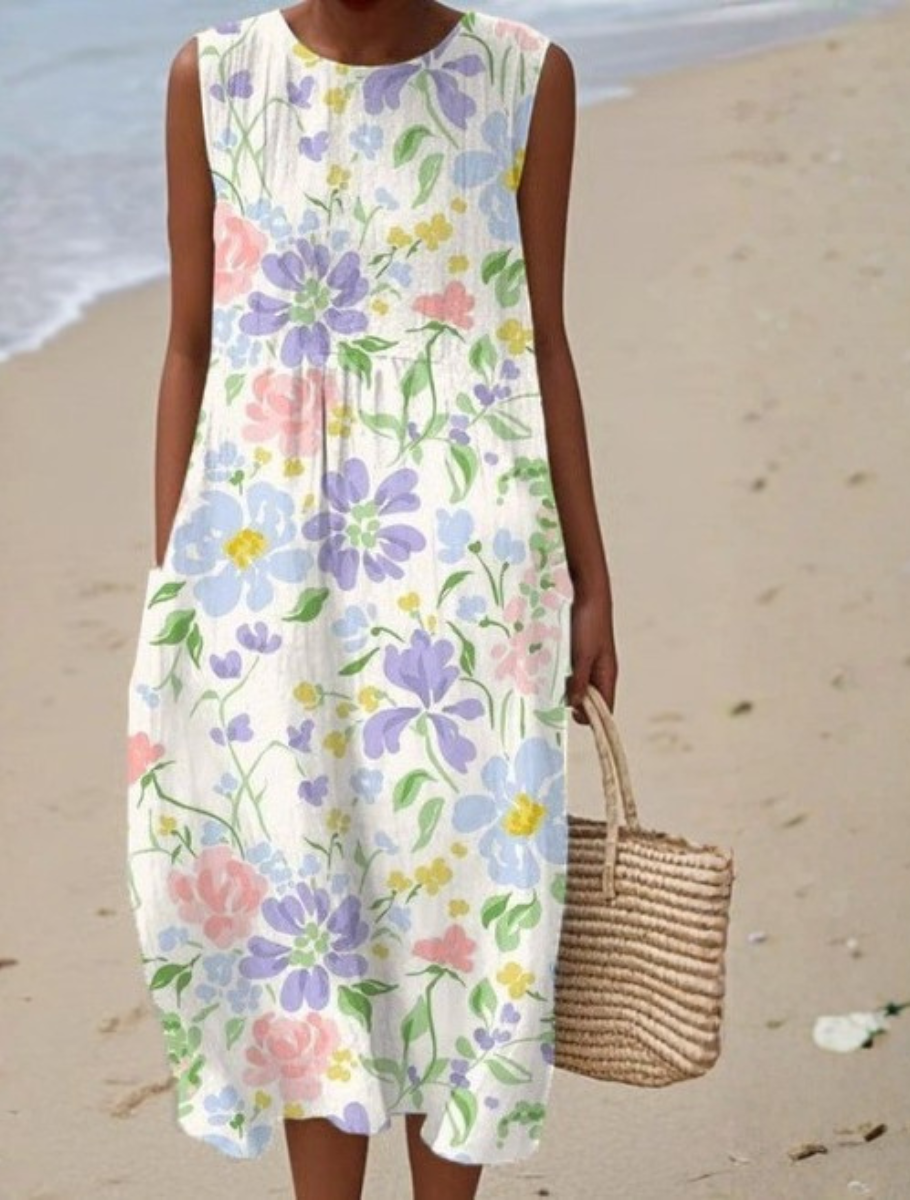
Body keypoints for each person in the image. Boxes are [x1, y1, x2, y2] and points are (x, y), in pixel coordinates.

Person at [126, 3, 617, 1198]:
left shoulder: (523, 79)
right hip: (263, 572)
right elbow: (189, 343)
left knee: (461, 902)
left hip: (471, 572)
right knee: (309, 907)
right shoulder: (216, 80)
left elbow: (543, 339)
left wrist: (593, 578)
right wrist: (176, 578)